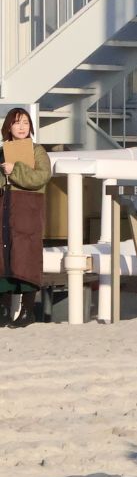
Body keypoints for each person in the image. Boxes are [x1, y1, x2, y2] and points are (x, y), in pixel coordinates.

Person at [0, 108, 51, 327]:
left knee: (26, 256)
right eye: (17, 123)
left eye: (26, 123)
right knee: (3, 257)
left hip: (28, 208)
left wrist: (15, 169)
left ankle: (27, 311)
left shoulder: (37, 151)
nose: (22, 128)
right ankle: (3, 310)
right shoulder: (2, 151)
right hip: (5, 207)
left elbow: (42, 177)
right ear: (8, 127)